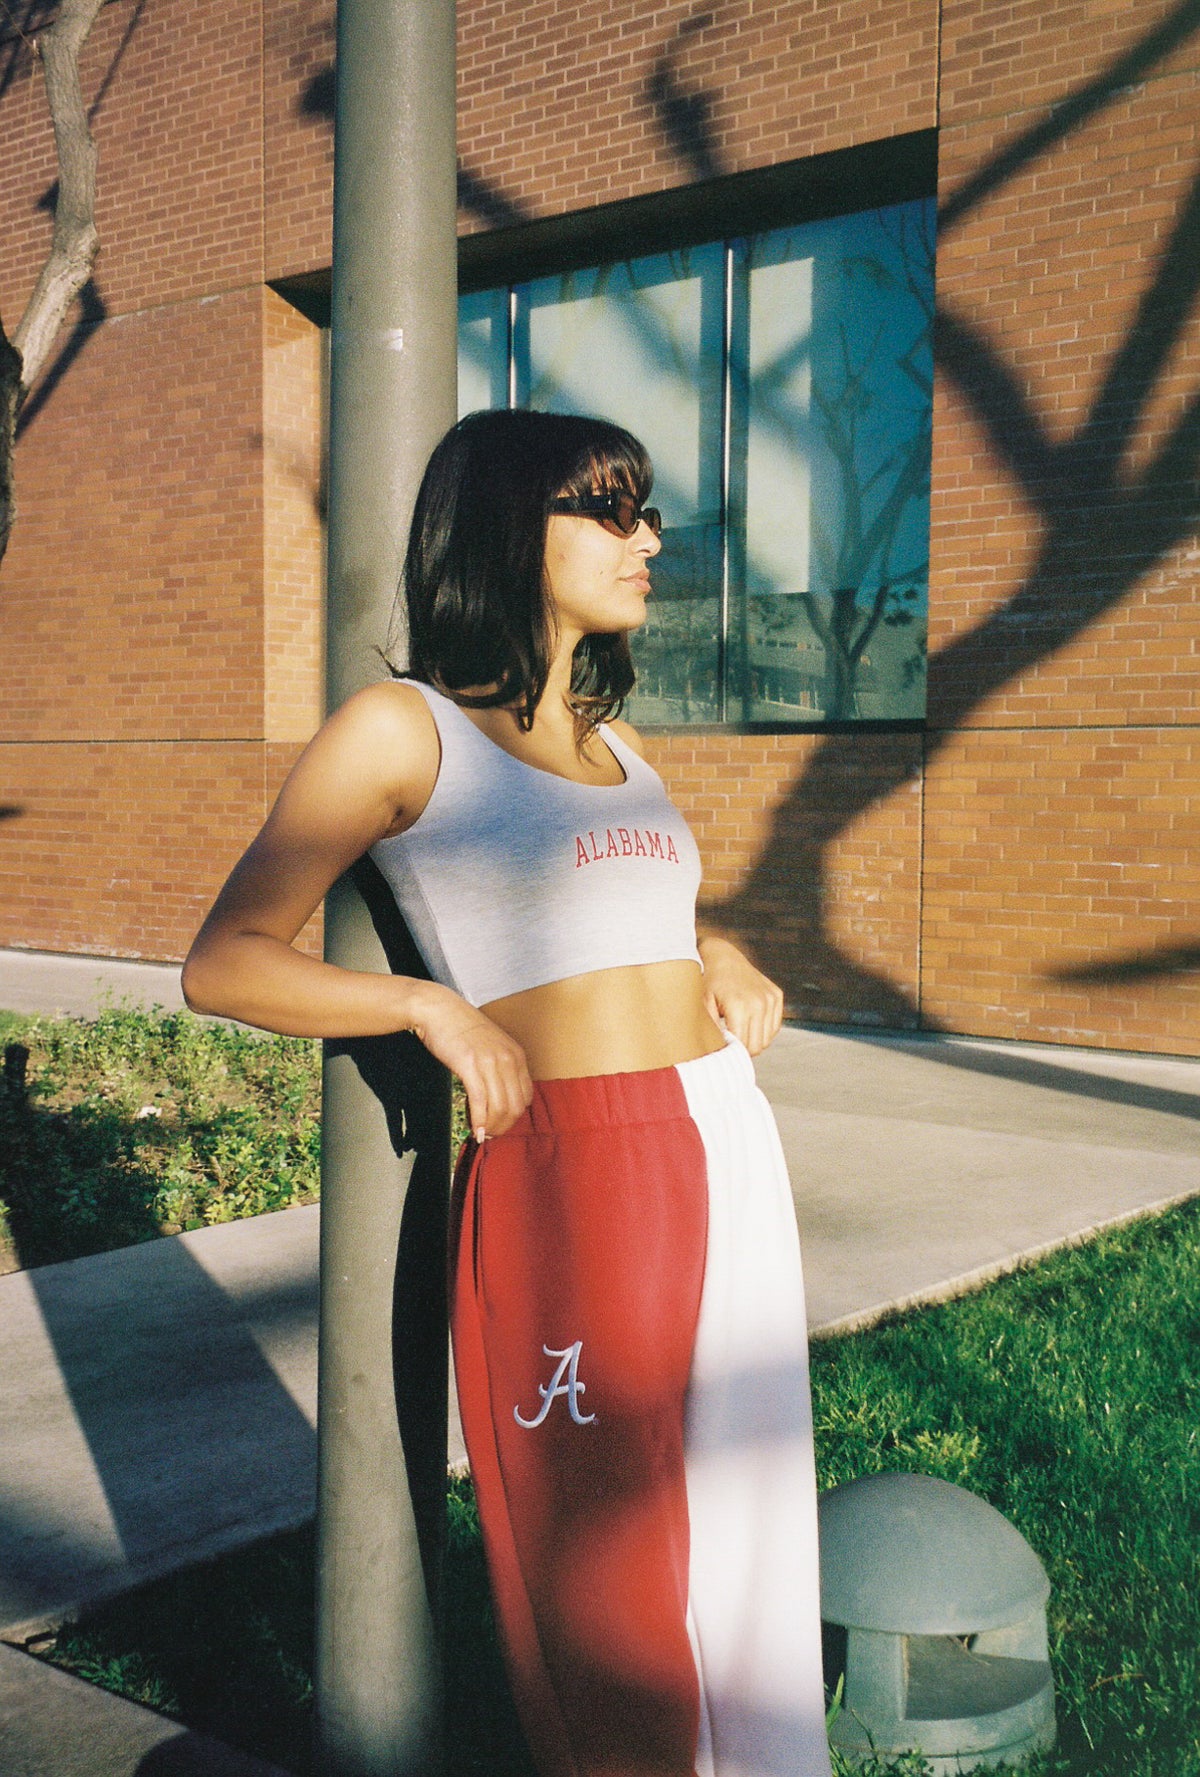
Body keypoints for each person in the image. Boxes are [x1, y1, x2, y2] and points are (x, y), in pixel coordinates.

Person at [183, 408, 832, 1777]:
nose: (648, 539)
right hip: (570, 1171)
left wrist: (720, 951)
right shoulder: (399, 727)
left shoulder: (622, 741)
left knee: (749, 1544)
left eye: (647, 511)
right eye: (609, 508)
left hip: (717, 1132)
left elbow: (638, 920)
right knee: (605, 1587)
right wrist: (422, 1003)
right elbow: (224, 961)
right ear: (503, 527)